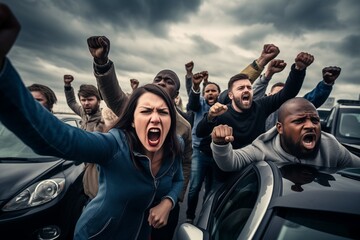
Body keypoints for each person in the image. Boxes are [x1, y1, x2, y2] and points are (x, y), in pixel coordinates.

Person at [0, 4, 184, 239]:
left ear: (172, 117)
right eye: (146, 111)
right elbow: (57, 139)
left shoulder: (175, 144)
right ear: (131, 119)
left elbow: (178, 179)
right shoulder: (114, 145)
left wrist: (167, 202)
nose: (155, 117)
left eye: (163, 112)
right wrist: (3, 75)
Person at [87, 35, 192, 240]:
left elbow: (185, 164)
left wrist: (173, 200)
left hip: (161, 202)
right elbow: (114, 96)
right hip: (130, 200)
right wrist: (102, 64)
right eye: (158, 79)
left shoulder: (184, 127)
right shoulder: (135, 109)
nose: (161, 82)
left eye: (168, 81)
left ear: (176, 93)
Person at [210, 97, 360, 171]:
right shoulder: (262, 148)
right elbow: (230, 163)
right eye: (299, 121)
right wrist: (220, 144)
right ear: (280, 128)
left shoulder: (330, 146)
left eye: (315, 120)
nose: (310, 126)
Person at [251, 65, 341, 131]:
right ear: (269, 95)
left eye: (285, 96)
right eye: (276, 95)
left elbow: (311, 100)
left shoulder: (293, 109)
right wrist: (267, 74)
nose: (280, 99)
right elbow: (254, 95)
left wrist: (326, 84)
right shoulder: (259, 107)